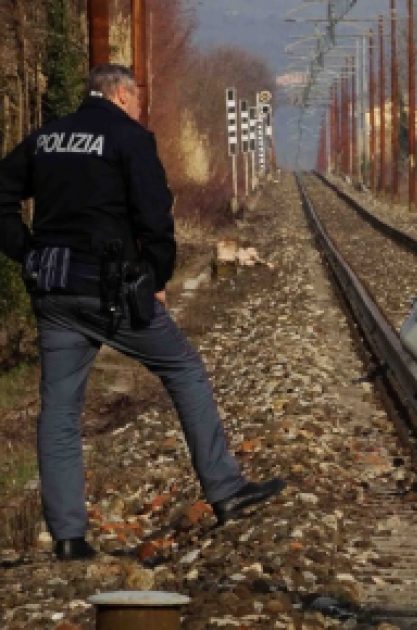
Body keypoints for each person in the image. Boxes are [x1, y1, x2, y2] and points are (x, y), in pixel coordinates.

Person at [0, 64, 284, 561]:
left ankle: (68, 537)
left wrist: (26, 254)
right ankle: (225, 489)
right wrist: (155, 279)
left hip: (54, 292)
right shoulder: (129, 138)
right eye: (137, 98)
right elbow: (155, 218)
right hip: (111, 291)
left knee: (60, 411)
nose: (139, 107)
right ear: (121, 94)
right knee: (184, 370)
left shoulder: (46, 139)